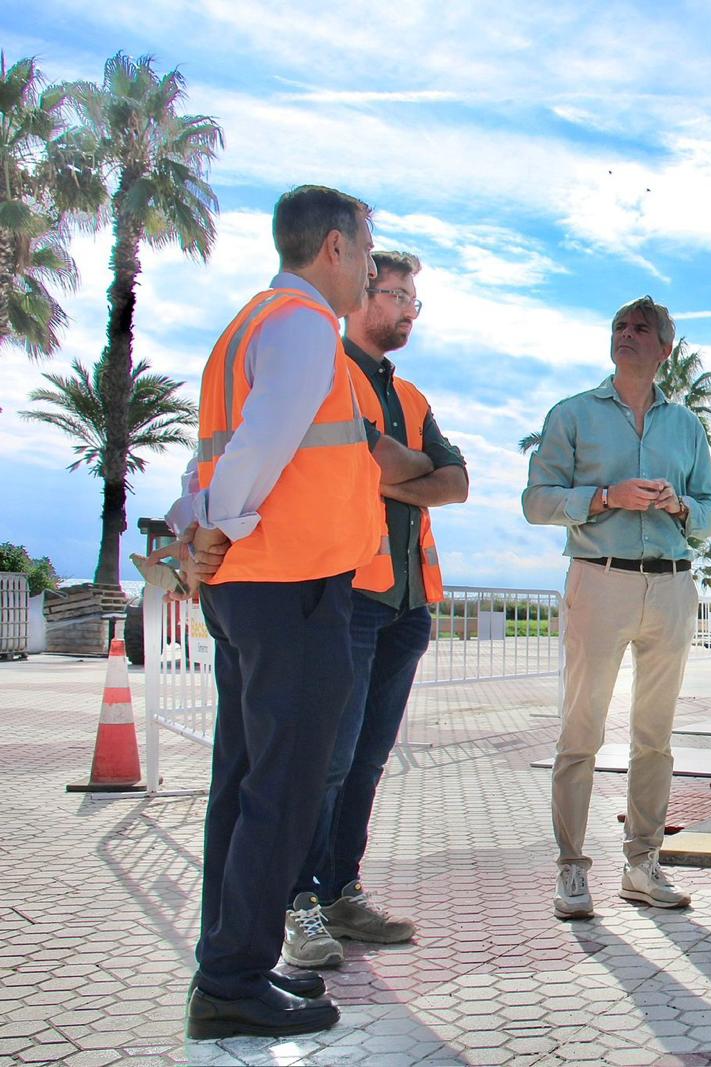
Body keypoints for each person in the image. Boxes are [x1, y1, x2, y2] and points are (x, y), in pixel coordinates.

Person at [168, 185, 387, 1039]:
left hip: (253, 588)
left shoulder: (246, 323)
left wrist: (200, 528)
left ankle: (232, 965)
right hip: (289, 586)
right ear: (333, 247)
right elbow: (260, 443)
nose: (371, 266)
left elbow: (214, 452)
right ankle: (231, 980)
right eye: (367, 249)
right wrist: (217, 526)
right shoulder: (301, 327)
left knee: (245, 782)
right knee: (283, 791)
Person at [281, 250, 470, 970]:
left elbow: (454, 482)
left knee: (366, 759)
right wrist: (404, 466)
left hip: (407, 603)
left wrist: (404, 466)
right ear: (362, 293)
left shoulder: (412, 396)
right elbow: (377, 465)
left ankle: (341, 892)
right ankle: (297, 900)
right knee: (325, 759)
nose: (406, 312)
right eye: (397, 296)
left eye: (413, 302)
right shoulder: (327, 376)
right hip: (348, 594)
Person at [523, 296, 711, 919]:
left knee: (654, 738)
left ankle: (642, 864)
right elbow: (536, 501)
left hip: (670, 585)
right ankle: (571, 869)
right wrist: (605, 496)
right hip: (599, 581)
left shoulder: (687, 427)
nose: (627, 335)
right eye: (619, 326)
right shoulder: (574, 415)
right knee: (581, 730)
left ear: (665, 348)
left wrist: (680, 508)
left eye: (641, 329)